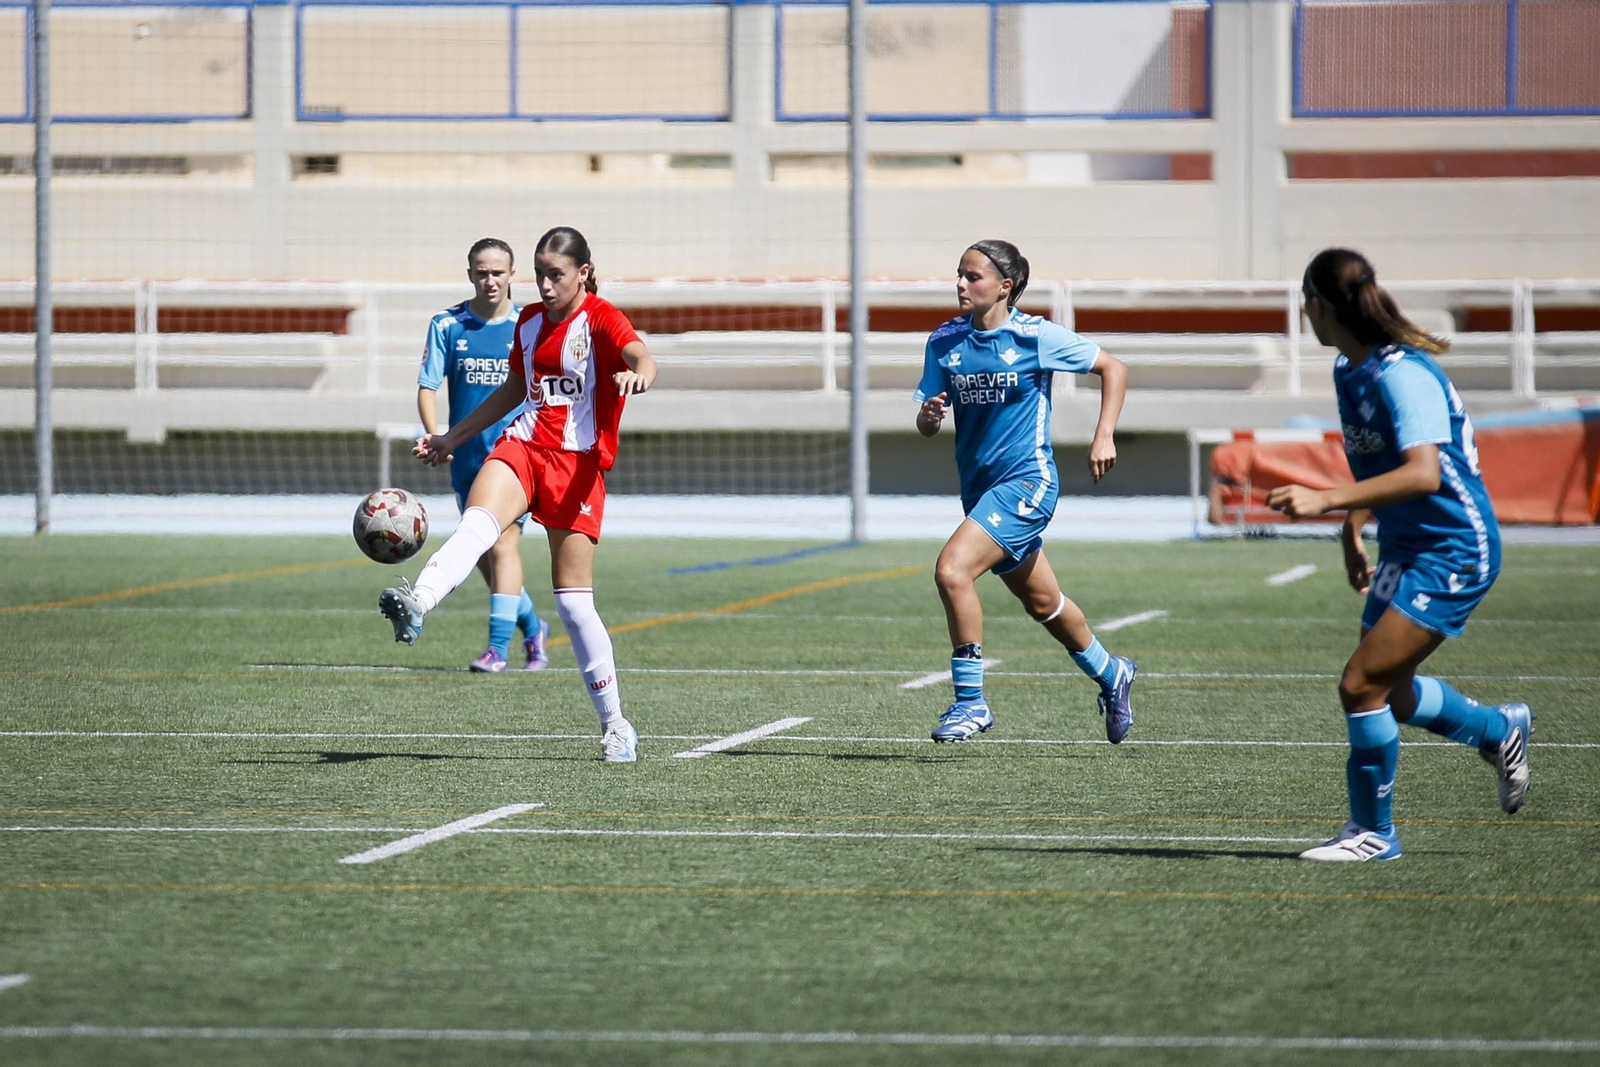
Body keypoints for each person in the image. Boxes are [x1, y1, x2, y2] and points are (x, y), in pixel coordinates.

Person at [1267, 247, 1532, 863]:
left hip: (1455, 546)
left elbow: (1422, 474)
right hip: (1408, 543)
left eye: (1304, 299)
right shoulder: (1348, 369)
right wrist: (1353, 525)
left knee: (1360, 685)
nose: (1302, 310)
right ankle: (1500, 729)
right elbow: (1378, 461)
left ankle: (1374, 834)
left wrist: (1328, 499)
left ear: (1320, 305)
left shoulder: (1401, 375)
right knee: (1393, 690)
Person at [380, 226, 658, 762]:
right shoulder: (529, 321)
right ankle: (419, 600)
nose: (546, 286)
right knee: (478, 527)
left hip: (578, 468)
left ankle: (616, 724)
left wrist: (639, 376)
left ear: (582, 273)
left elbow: (642, 356)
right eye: (540, 274)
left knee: (575, 607)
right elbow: (513, 390)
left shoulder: (600, 317)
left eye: (557, 274)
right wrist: (450, 439)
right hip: (525, 446)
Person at [914, 239, 1136, 745]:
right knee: (1044, 604)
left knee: (951, 570)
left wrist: (1104, 434)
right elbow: (928, 420)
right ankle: (1111, 672)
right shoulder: (944, 341)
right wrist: (928, 417)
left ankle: (970, 702)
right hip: (980, 492)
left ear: (1004, 286)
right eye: (959, 274)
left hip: (1028, 483)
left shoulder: (1035, 335)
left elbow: (1113, 368)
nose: (961, 284)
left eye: (972, 276)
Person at [418, 237, 549, 674]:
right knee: (480, 556)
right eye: (481, 272)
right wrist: (438, 435)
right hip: (467, 459)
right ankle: (533, 628)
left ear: (513, 275)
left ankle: (498, 649)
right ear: (470, 273)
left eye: (498, 272)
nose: (490, 280)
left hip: (516, 456)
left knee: (503, 546)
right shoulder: (446, 324)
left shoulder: (527, 326)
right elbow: (428, 386)